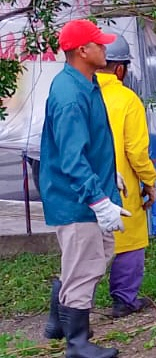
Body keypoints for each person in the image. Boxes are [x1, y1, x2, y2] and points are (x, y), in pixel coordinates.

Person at [41, 19, 128, 358]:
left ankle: (59, 321)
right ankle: (76, 344)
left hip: (87, 191)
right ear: (82, 50)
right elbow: (71, 158)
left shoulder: (85, 83)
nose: (106, 48)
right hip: (77, 199)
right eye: (99, 44)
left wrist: (109, 174)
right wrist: (98, 199)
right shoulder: (70, 95)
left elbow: (88, 144)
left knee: (95, 255)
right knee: (86, 264)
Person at [96, 36, 156, 318]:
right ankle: (124, 299)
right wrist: (149, 180)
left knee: (86, 247)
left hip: (84, 183)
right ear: (120, 69)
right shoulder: (126, 99)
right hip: (121, 185)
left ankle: (71, 308)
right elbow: (136, 151)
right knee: (131, 239)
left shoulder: (77, 95)